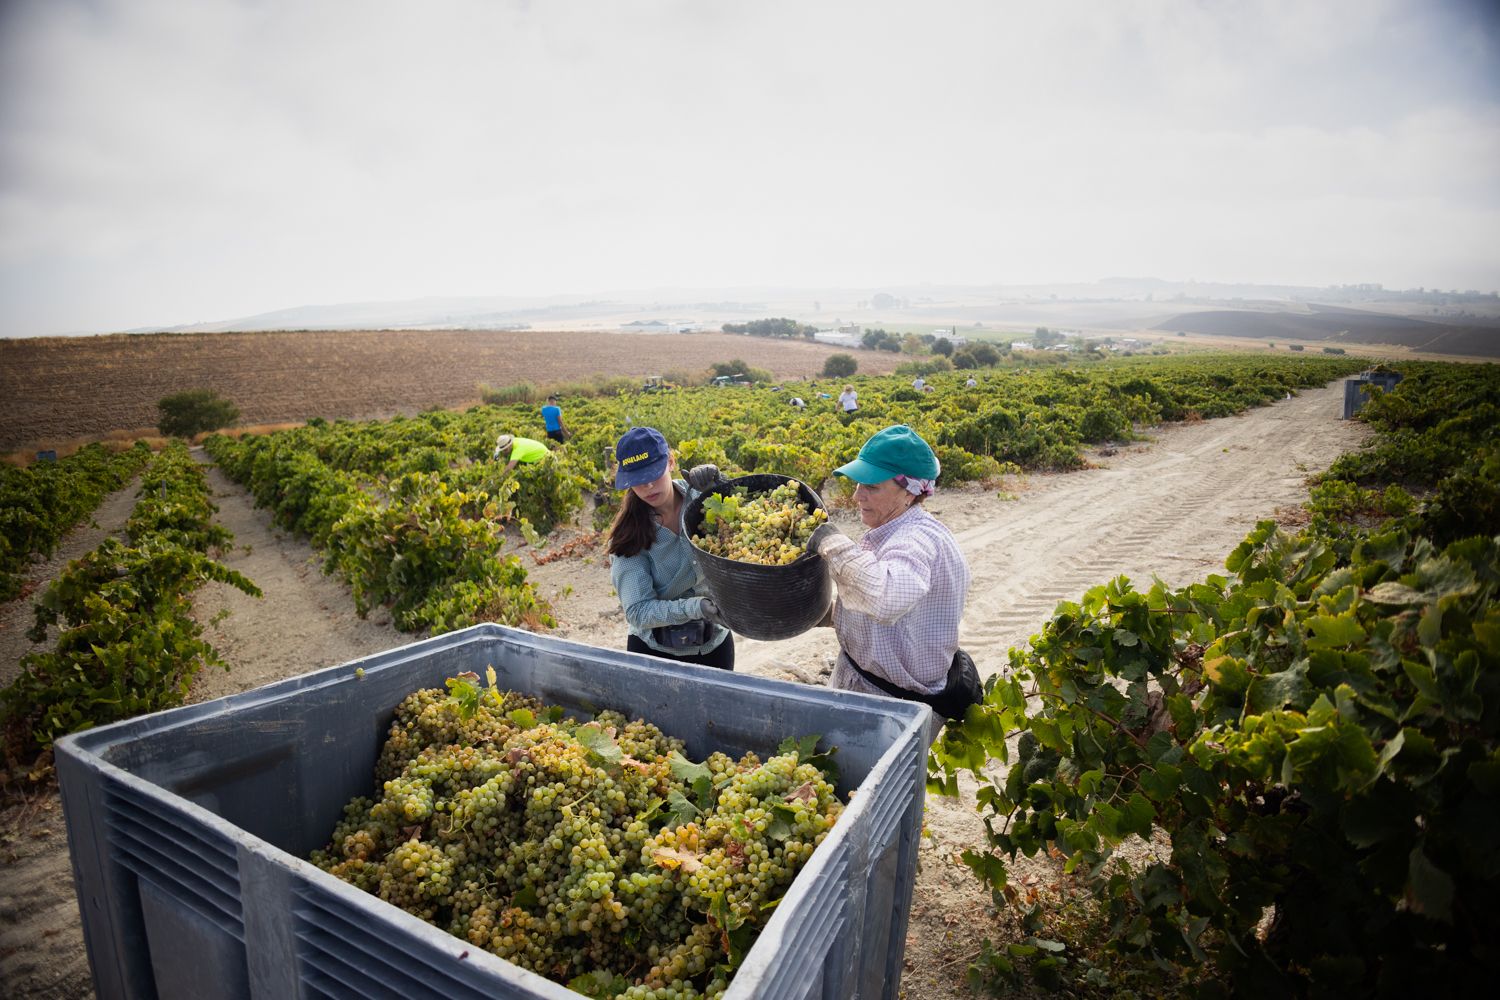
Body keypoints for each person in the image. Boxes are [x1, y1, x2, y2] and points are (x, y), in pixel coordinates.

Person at [807, 425, 971, 738]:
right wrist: (817, 614)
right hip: (867, 689)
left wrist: (832, 543)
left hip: (893, 712)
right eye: (858, 483)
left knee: (876, 786)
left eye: (871, 486)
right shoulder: (894, 530)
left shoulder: (916, 541)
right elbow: (890, 623)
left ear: (909, 491)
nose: (857, 495)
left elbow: (885, 598)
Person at [607, 426, 734, 670]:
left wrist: (722, 487)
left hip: (715, 643)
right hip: (656, 652)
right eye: (637, 480)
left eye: (653, 474)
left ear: (671, 461)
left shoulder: (701, 498)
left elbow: (748, 529)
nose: (648, 486)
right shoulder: (628, 536)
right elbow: (638, 612)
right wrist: (696, 608)